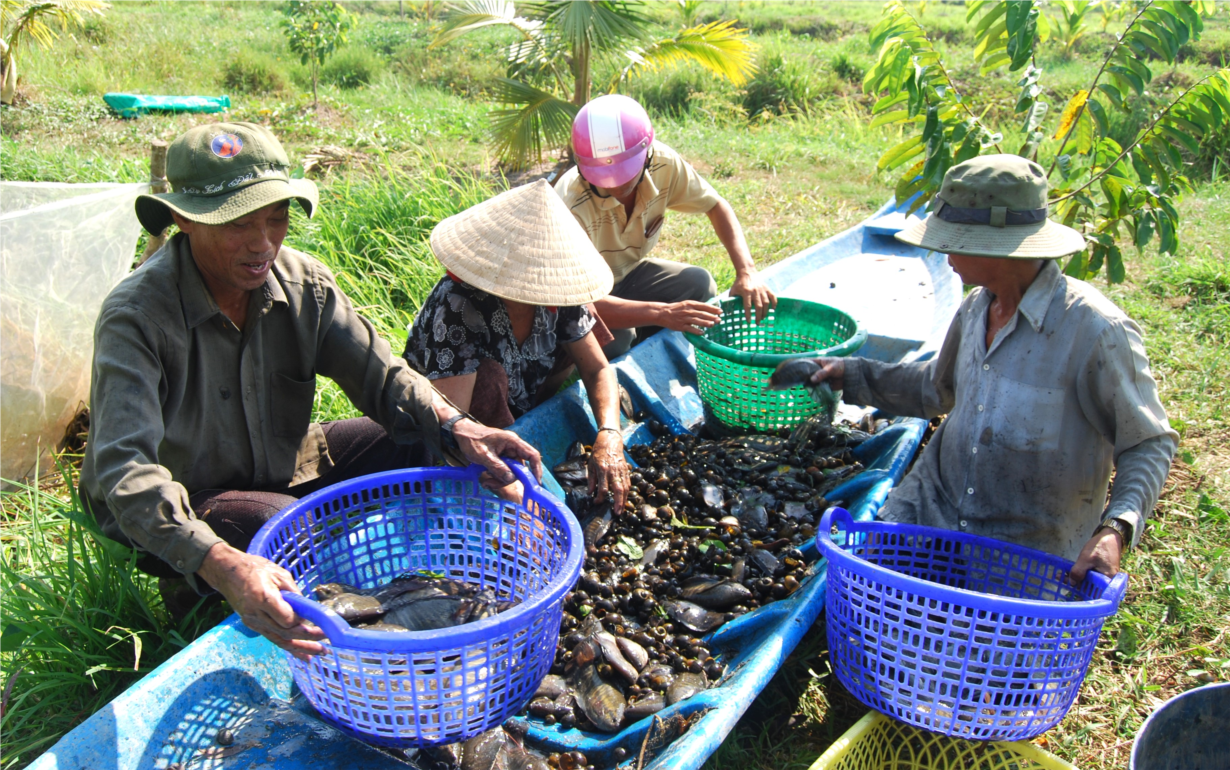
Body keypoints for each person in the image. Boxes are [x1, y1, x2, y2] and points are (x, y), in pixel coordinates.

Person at [80, 122, 542, 657]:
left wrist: (458, 427)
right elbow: (124, 472)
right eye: (240, 225)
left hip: (285, 461)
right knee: (280, 526)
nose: (263, 243)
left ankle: (421, 591)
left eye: (276, 219)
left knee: (427, 435)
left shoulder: (303, 284)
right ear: (185, 219)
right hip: (190, 497)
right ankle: (203, 588)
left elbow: (384, 376)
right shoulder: (135, 317)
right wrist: (222, 562)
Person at [802, 154, 1177, 582]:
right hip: (934, 510)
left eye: (952, 242)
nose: (943, 256)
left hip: (1026, 548)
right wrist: (849, 374)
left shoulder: (1094, 330)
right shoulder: (976, 308)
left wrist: (1116, 530)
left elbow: (1148, 441)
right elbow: (935, 390)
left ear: (995, 248)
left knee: (984, 642)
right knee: (860, 599)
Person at [404, 180, 630, 511]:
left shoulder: (560, 287)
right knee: (489, 377)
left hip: (524, 389)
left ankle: (527, 423)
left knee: (586, 335)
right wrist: (516, 490)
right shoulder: (459, 303)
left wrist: (609, 433)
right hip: (454, 410)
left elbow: (596, 367)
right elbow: (454, 423)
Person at [554, 94, 777, 359]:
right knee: (615, 338)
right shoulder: (568, 204)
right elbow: (576, 303)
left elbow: (715, 205)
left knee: (699, 284)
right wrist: (662, 313)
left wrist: (747, 271)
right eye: (605, 178)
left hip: (625, 277)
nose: (615, 185)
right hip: (578, 298)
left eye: (626, 175)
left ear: (646, 153)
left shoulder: (663, 163)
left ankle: (653, 352)